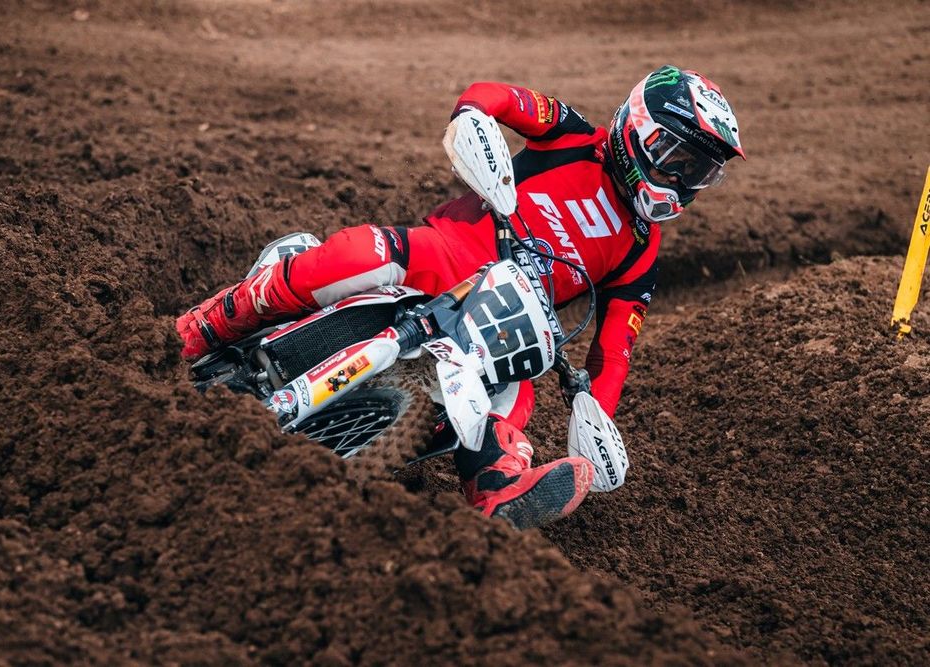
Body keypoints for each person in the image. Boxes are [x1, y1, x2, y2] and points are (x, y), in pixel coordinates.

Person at [176, 65, 744, 529]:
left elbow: (614, 351)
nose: (682, 181)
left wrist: (595, 410)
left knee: (519, 392)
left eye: (699, 172)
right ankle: (205, 327)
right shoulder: (574, 135)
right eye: (678, 159)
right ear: (639, 128)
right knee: (357, 254)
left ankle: (498, 489)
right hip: (449, 251)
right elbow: (493, 95)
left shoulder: (642, 250)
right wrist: (474, 115)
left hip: (505, 319)